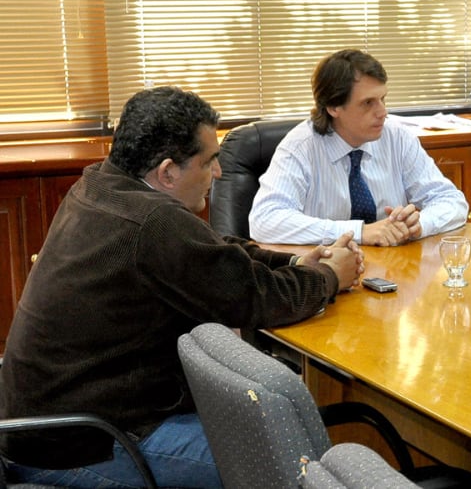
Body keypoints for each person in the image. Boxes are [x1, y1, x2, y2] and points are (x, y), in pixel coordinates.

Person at [0, 86, 364, 488]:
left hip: (48, 425)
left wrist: (293, 262)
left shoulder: (101, 185)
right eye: (209, 162)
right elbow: (260, 299)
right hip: (82, 445)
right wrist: (331, 276)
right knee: (292, 464)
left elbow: (208, 248)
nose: (219, 173)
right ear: (168, 172)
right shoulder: (152, 223)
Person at [249, 49, 469, 246]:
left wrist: (419, 225)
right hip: (327, 270)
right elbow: (265, 220)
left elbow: (452, 201)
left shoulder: (397, 138)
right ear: (334, 107)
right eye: (368, 103)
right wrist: (359, 232)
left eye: (383, 99)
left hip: (392, 268)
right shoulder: (300, 147)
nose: (382, 112)